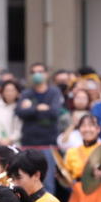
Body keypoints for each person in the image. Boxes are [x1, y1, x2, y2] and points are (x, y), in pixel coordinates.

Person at [17, 63, 64, 192]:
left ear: (46, 74)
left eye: (40, 71)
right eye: (34, 72)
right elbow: (20, 112)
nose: (37, 74)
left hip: (48, 144)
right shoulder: (27, 93)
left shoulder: (54, 92)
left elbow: (54, 112)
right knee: (26, 182)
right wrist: (39, 108)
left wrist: (31, 108)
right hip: (28, 143)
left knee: (47, 182)